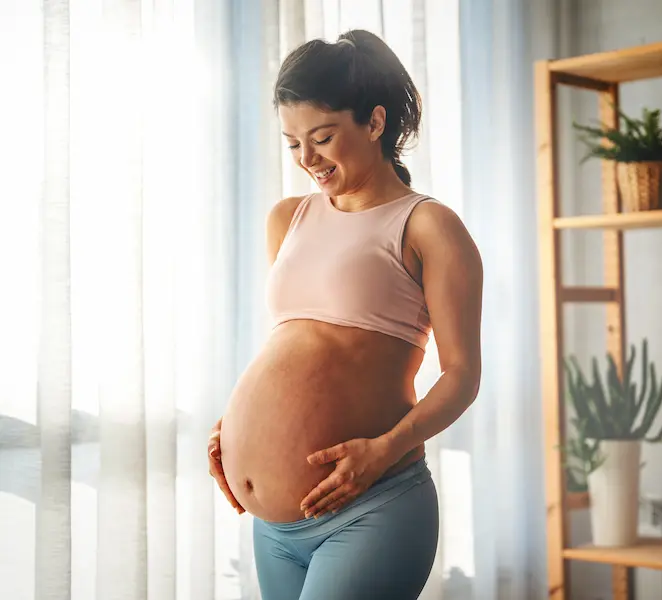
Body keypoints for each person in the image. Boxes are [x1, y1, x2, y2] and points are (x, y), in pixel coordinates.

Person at [205, 29, 483, 600]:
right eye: (292, 144)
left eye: (323, 137)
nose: (307, 159)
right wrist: (236, 432)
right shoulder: (288, 218)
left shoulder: (428, 226)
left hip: (371, 507)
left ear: (375, 123)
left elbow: (462, 376)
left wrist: (382, 450)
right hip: (274, 527)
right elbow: (300, 344)